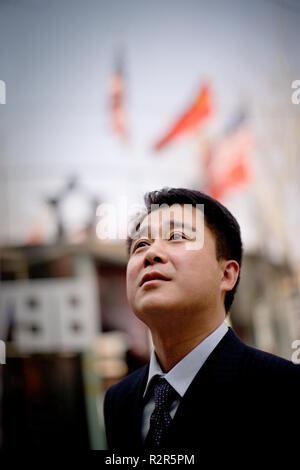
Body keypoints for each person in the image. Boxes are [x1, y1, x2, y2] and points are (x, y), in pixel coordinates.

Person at [104, 187, 300, 454]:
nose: (151, 254)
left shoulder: (283, 389)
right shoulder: (120, 400)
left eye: (176, 236)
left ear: (227, 275)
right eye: (141, 245)